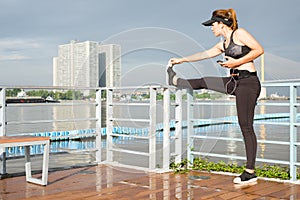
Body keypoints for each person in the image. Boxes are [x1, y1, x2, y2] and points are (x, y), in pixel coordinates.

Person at [168, 8, 264, 184]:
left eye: (213, 25)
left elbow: (259, 50)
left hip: (248, 83)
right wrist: (182, 60)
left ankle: (250, 172)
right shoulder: (223, 44)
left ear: (222, 24)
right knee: (205, 81)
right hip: (233, 82)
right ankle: (176, 81)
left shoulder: (239, 33)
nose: (211, 28)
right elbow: (203, 54)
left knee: (246, 126)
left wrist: (237, 62)